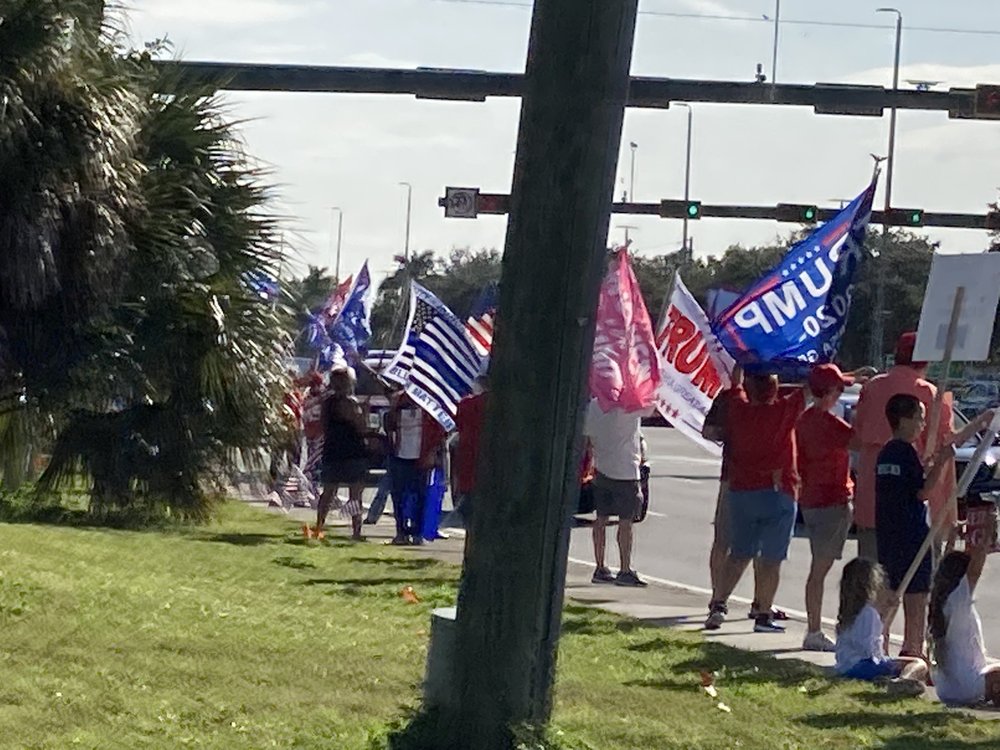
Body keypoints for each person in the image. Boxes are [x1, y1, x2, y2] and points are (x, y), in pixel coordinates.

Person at [704, 373, 804, 633]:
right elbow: (812, 388)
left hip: (742, 491)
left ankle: (718, 603)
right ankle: (763, 613)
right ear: (774, 389)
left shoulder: (737, 409)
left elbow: (736, 386)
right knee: (771, 559)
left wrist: (743, 364)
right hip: (777, 491)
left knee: (739, 553)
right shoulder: (783, 411)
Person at [853, 332, 952, 562]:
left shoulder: (872, 387)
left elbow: (857, 434)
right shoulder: (928, 393)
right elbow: (944, 443)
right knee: (916, 577)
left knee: (871, 575)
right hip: (913, 507)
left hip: (872, 501)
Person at [875, 393, 953, 657]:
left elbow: (906, 485)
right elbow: (922, 492)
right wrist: (942, 462)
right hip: (911, 533)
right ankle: (912, 649)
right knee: (916, 596)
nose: (922, 424)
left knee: (888, 590)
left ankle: (879, 645)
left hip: (888, 533)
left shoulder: (887, 453)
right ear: (904, 420)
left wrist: (926, 467)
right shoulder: (904, 452)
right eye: (919, 418)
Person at [796, 363, 856, 652]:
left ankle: (815, 627)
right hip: (831, 500)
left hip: (810, 498)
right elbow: (860, 441)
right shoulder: (829, 424)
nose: (840, 394)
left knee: (818, 567)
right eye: (839, 389)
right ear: (830, 392)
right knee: (820, 569)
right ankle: (814, 629)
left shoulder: (804, 419)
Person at [835, 557, 928, 696]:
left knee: (902, 663)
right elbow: (869, 649)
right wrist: (885, 662)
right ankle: (902, 681)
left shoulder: (847, 612)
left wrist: (885, 613)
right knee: (917, 663)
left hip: (845, 666)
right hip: (863, 666)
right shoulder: (869, 612)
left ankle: (892, 680)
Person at [584, 399, 650, 587]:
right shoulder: (630, 404)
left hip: (602, 468)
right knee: (626, 522)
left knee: (601, 518)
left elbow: (588, 439)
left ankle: (600, 566)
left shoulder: (594, 406)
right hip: (626, 471)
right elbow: (651, 407)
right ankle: (625, 569)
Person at [929, 548, 1000, 706]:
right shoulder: (958, 600)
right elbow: (974, 572)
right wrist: (983, 544)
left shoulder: (941, 604)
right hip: (968, 687)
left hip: (945, 690)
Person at [384, 391, 446, 545]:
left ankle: (417, 533)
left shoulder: (429, 406)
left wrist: (432, 453)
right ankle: (401, 533)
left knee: (420, 496)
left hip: (421, 457)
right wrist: (393, 408)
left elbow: (439, 432)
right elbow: (388, 426)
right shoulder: (398, 403)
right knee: (399, 496)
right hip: (400, 456)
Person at [316, 367, 368, 541]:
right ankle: (356, 531)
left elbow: (323, 426)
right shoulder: (351, 403)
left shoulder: (327, 403)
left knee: (328, 492)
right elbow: (361, 427)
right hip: (352, 451)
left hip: (332, 450)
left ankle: (319, 526)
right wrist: (364, 412)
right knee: (355, 494)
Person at [442, 374, 489, 530]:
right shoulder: (491, 404)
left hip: (468, 451)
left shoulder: (467, 404)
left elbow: (459, 423)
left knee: (467, 489)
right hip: (485, 452)